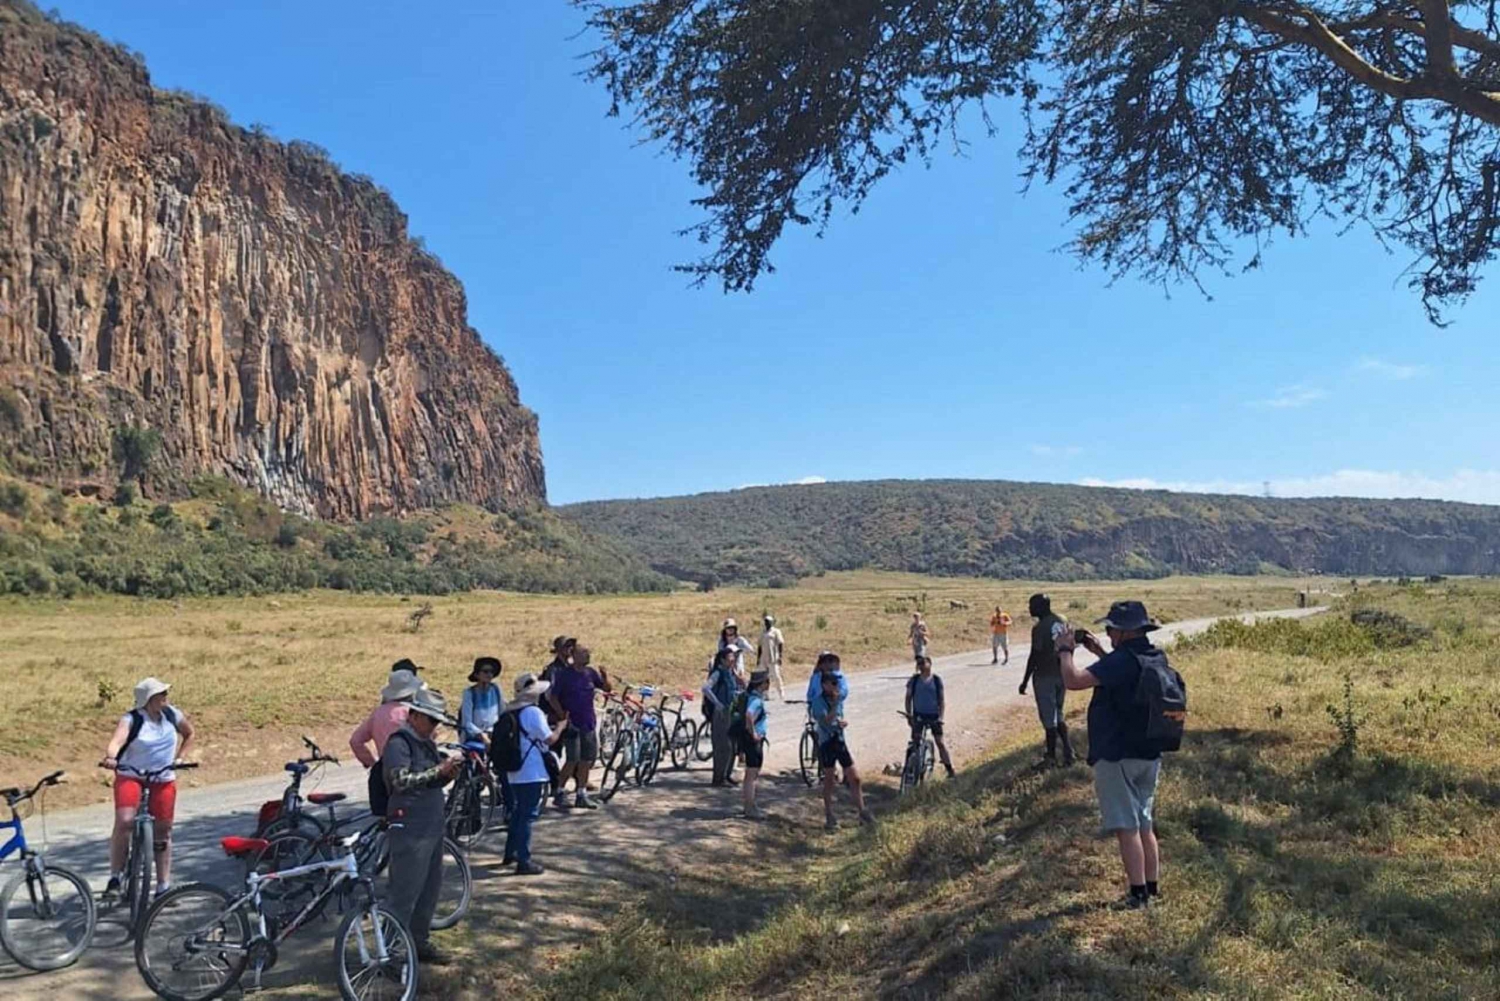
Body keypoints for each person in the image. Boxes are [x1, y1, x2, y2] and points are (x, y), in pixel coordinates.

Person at [1056, 600, 1168, 910]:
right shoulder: (1153, 655)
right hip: (1149, 751)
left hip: (1118, 753)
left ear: (1122, 632)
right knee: (1144, 822)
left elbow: (1073, 680)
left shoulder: (1120, 661)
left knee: (1125, 826)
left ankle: (1137, 895)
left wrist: (1065, 650)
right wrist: (1100, 653)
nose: (1107, 632)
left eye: (1111, 629)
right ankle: (1151, 888)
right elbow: (1124, 677)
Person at [382, 687, 460, 964]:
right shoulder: (398, 743)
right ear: (414, 716)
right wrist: (438, 771)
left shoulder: (425, 742)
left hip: (430, 823)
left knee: (429, 888)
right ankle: (388, 952)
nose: (433, 726)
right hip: (409, 824)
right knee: (403, 891)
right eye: (430, 719)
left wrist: (447, 775)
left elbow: (430, 780)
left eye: (436, 721)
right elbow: (400, 781)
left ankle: (418, 942)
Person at [100, 677, 195, 899]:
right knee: (124, 821)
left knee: (163, 830)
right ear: (148, 700)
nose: (165, 697)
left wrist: (181, 758)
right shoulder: (132, 719)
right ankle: (115, 877)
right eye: (160, 694)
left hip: (162, 776)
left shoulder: (172, 715)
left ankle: (163, 886)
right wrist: (111, 758)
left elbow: (190, 733)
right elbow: (116, 742)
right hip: (131, 775)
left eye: (164, 693)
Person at [501, 673, 568, 875]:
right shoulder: (533, 712)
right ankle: (524, 860)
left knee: (518, 813)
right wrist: (560, 728)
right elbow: (549, 740)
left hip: (514, 769)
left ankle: (510, 852)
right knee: (527, 815)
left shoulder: (510, 713)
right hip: (531, 770)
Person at [351, 668, 425, 815]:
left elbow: (356, 741)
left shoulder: (378, 713)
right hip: (410, 768)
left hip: (384, 768)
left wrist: (372, 763)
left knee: (387, 816)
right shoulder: (413, 714)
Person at [546, 645, 611, 810]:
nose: (587, 655)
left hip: (588, 721)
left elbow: (606, 689)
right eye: (583, 653)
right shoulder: (564, 675)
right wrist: (561, 715)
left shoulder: (590, 673)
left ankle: (581, 793)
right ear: (573, 655)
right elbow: (552, 697)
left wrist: (604, 676)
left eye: (588, 653)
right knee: (572, 759)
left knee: (586, 759)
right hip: (572, 723)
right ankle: (559, 791)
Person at [809, 667, 874, 830]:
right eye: (833, 684)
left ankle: (862, 811)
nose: (836, 687)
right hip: (826, 743)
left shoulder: (836, 698)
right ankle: (829, 815)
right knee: (830, 780)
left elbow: (837, 717)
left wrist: (842, 722)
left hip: (839, 740)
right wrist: (835, 705)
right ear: (824, 685)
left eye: (836, 684)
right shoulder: (818, 702)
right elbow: (824, 721)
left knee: (855, 778)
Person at [1018, 593, 1076, 767]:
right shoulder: (1062, 620)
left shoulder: (1040, 628)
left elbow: (1034, 656)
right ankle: (1068, 751)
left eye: (1032, 605)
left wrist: (1025, 680)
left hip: (1045, 675)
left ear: (1041, 607)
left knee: (1049, 718)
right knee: (1059, 713)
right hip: (1062, 673)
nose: (1029, 608)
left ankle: (1051, 757)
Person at [905, 656, 955, 778]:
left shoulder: (937, 680)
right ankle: (910, 769)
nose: (921, 666)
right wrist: (909, 715)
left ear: (930, 664)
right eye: (919, 664)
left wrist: (941, 718)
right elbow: (908, 698)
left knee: (940, 742)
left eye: (923, 663)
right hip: (918, 715)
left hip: (934, 715)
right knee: (915, 741)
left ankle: (950, 769)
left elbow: (941, 700)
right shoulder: (914, 680)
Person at [703, 648, 742, 787]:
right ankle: (719, 778)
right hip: (721, 714)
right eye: (730, 658)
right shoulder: (718, 673)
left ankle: (727, 775)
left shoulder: (730, 673)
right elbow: (706, 688)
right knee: (722, 746)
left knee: (732, 746)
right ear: (722, 660)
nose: (733, 660)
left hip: (731, 712)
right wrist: (717, 704)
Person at [739, 671, 772, 819]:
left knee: (750, 774)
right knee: (752, 775)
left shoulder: (750, 696)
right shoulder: (756, 700)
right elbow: (749, 715)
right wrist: (753, 734)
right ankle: (749, 807)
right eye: (767, 682)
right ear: (762, 684)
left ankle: (750, 805)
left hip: (748, 739)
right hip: (753, 741)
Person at [459, 657, 504, 747]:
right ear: (477, 675)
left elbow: (502, 713)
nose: (489, 674)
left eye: (491, 672)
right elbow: (467, 723)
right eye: (485, 671)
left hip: (494, 735)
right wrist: (482, 736)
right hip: (474, 737)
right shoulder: (469, 693)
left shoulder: (496, 689)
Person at [757, 614, 787, 700]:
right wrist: (758, 659)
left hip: (773, 658)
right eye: (766, 622)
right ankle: (765, 694)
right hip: (764, 658)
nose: (767, 623)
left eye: (768, 622)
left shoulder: (776, 631)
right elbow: (760, 646)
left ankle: (781, 693)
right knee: (764, 677)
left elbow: (780, 643)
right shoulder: (762, 632)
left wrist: (780, 656)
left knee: (776, 676)